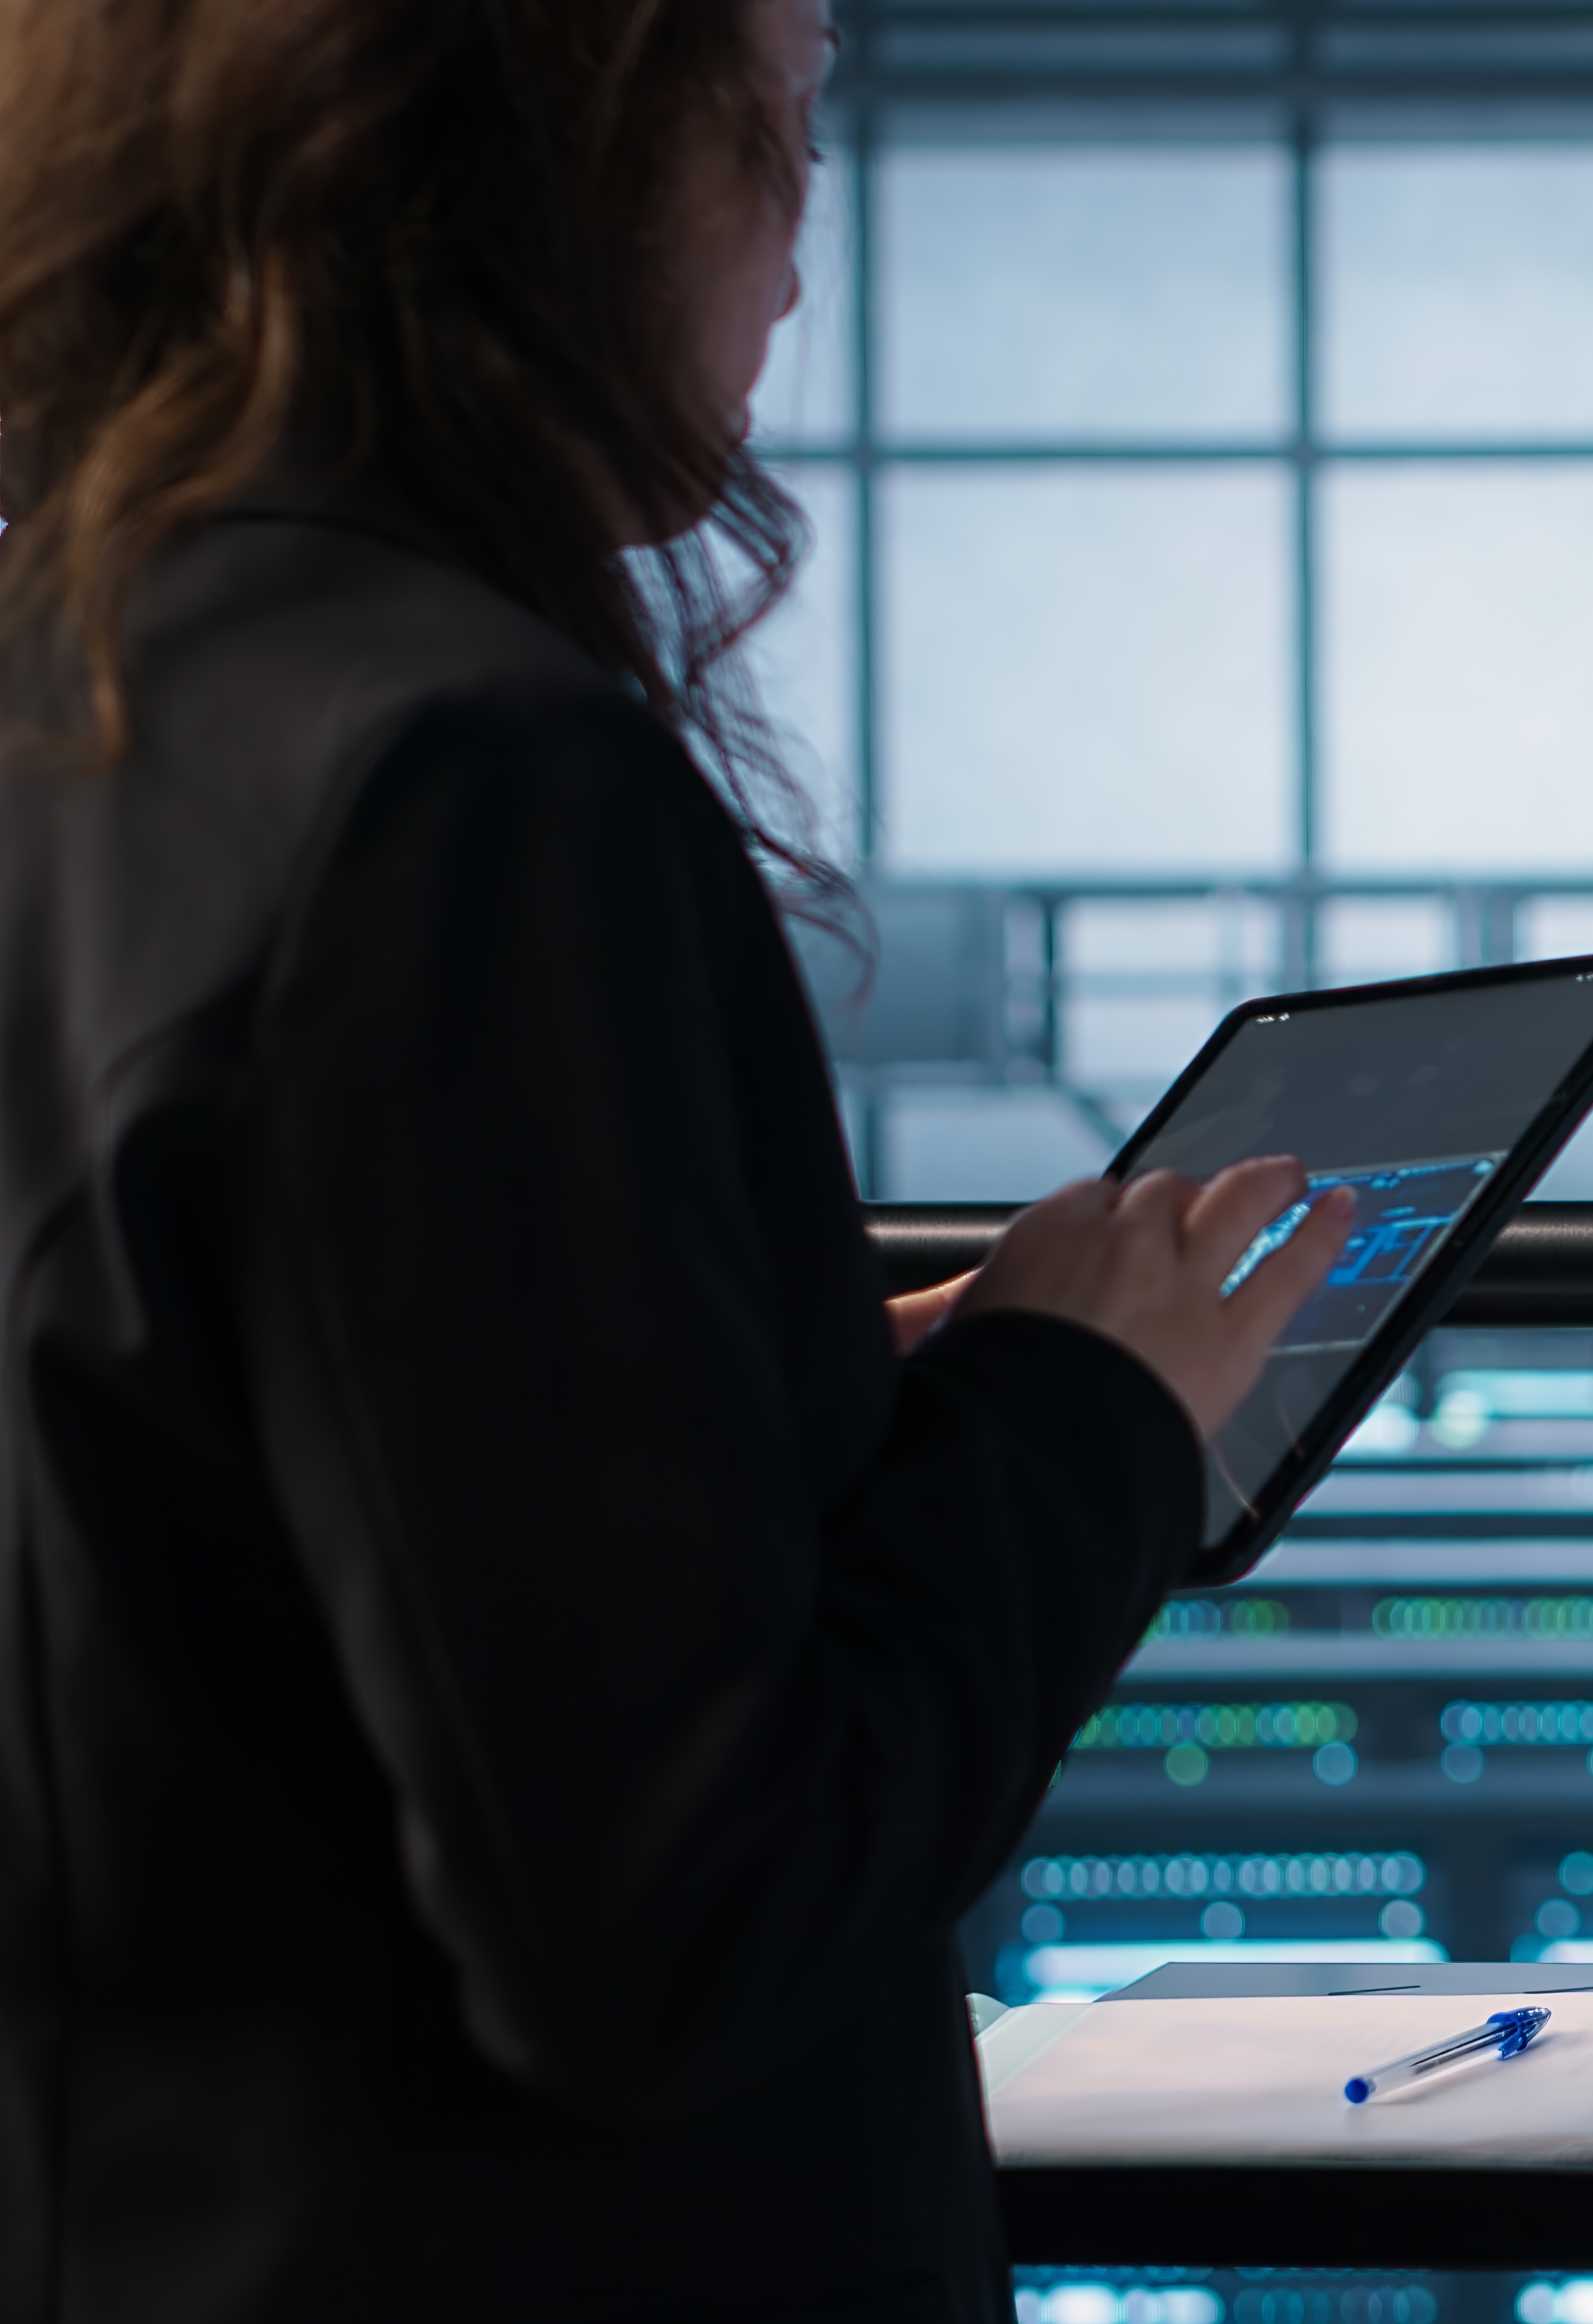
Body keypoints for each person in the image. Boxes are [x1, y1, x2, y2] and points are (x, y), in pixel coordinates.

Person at [0, 1, 1358, 2313]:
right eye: (790, 143)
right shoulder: (459, 781)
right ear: (555, 158)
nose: (795, 276)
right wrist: (1083, 1411)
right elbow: (671, 1914)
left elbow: (251, 1524)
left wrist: (813, 1382)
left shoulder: (91, 679)